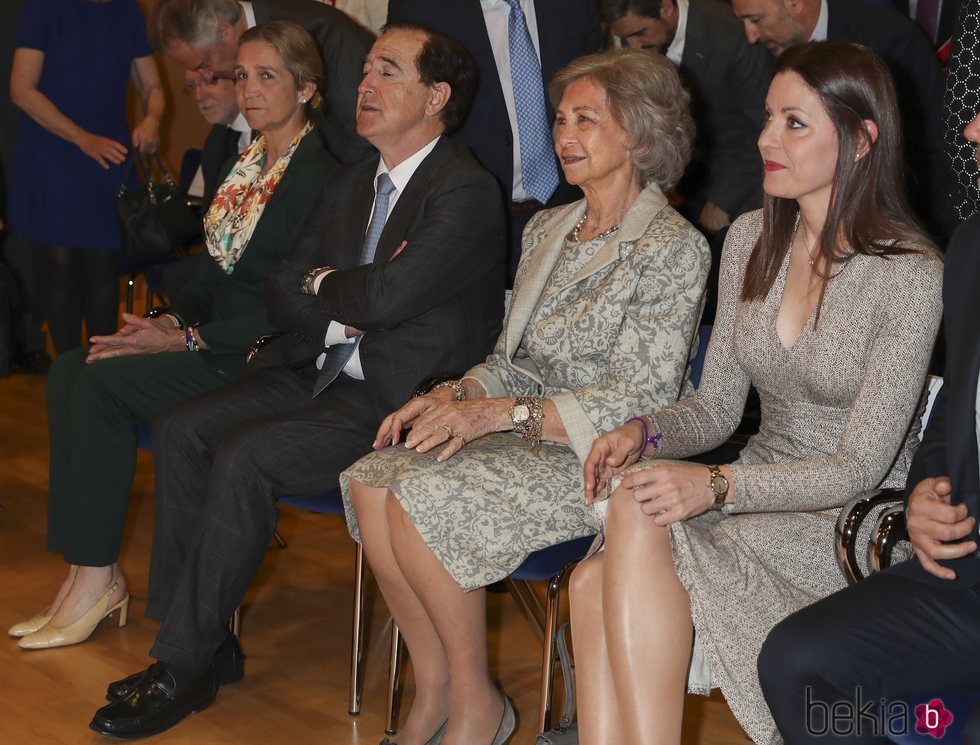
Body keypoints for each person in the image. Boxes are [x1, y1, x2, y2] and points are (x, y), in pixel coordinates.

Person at [89, 23, 506, 739]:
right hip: (320, 370)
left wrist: (336, 290)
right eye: (366, 68)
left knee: (246, 454)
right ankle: (205, 645)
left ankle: (179, 668)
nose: (364, 85)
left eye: (387, 71)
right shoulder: (351, 180)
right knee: (187, 428)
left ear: (436, 97)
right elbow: (287, 291)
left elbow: (385, 299)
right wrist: (341, 292)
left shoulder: (463, 189)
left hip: (399, 401)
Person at [571, 41, 943, 745]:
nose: (766, 138)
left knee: (613, 553)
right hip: (753, 487)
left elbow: (860, 466)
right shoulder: (748, 238)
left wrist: (714, 486)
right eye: (769, 117)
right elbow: (716, 410)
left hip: (843, 515)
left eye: (794, 123)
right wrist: (643, 432)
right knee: (609, 541)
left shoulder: (912, 276)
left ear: (862, 139)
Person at [344, 48, 710, 745]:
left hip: (598, 455)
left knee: (423, 496)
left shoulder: (674, 246)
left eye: (586, 120)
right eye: (560, 119)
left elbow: (646, 399)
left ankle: (476, 710)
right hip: (520, 434)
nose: (564, 135)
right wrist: (456, 392)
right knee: (373, 480)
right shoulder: (548, 228)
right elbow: (511, 362)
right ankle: (442, 692)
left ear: (638, 133)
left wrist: (496, 415)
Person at [7, 20, 337, 651]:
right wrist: (169, 322)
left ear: (307, 89)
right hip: (213, 337)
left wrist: (188, 341)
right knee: (75, 365)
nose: (249, 90)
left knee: (99, 388)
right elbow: (216, 272)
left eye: (267, 76)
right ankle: (82, 569)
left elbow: (293, 304)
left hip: (261, 355)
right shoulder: (248, 162)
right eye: (241, 75)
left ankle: (98, 578)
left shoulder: (321, 173)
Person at [757, 108, 980, 744]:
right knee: (797, 663)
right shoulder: (972, 248)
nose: (969, 131)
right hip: (966, 575)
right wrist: (926, 490)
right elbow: (950, 415)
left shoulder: (912, 267)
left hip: (828, 499)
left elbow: (857, 463)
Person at [386, 0, 604, 286]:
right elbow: (403, 117)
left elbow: (599, 96)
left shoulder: (571, 6)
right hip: (466, 220)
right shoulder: (422, 8)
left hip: (570, 209)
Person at [6, 0, 165, 356]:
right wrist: (82, 138)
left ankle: (99, 367)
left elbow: (152, 87)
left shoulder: (127, 12)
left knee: (104, 262)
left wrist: (152, 118)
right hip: (55, 149)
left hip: (107, 155)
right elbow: (21, 89)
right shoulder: (44, 9)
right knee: (60, 264)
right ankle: (66, 367)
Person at [597, 0, 772, 321]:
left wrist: (722, 200)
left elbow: (764, 130)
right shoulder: (629, 39)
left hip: (747, 174)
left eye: (639, 33)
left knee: (728, 287)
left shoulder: (729, 34)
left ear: (665, 8)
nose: (633, 46)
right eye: (625, 38)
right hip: (683, 176)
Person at [729, 0, 955, 243]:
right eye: (768, 116)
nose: (750, 36)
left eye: (756, 20)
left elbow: (927, 154)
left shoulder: (887, 42)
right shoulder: (746, 237)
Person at [151, 0, 375, 164]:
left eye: (204, 64)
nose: (208, 76)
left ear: (224, 31)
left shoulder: (320, 33)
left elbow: (364, 135)